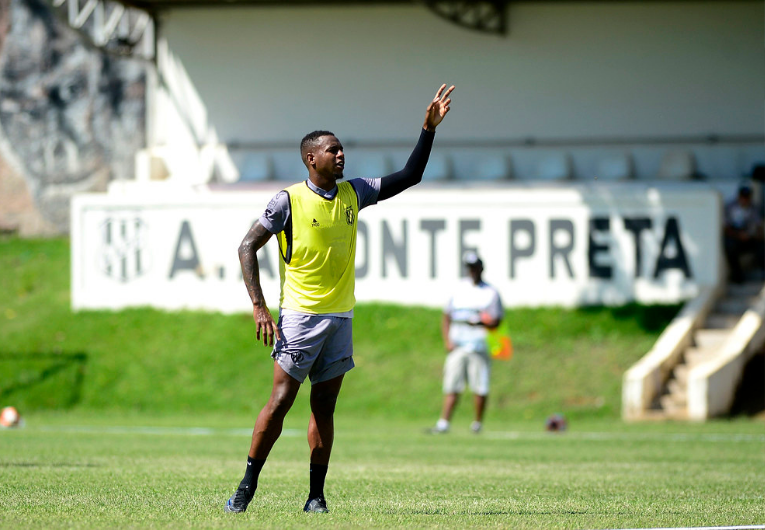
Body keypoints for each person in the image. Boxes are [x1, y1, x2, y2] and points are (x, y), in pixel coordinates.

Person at [225, 84, 455, 514]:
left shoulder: (354, 192)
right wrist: (259, 306)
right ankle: (246, 486)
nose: (341, 155)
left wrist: (428, 129)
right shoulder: (288, 200)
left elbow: (410, 177)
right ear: (311, 158)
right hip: (299, 317)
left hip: (341, 318)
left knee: (324, 407)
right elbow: (246, 246)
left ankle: (315, 497)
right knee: (279, 404)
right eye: (333, 150)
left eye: (342, 149)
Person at [428, 251, 503, 435]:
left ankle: (477, 424)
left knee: (480, 386)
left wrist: (481, 322)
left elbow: (497, 320)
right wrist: (447, 340)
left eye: (475, 267)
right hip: (458, 345)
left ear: (481, 268)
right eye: (469, 268)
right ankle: (444, 423)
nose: (472, 271)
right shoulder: (459, 289)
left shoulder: (491, 293)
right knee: (452, 385)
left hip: (479, 345)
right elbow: (446, 316)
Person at [723, 183, 764, 283]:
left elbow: (758, 226)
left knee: (761, 247)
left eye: (747, 197)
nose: (745, 200)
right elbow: (725, 227)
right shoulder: (730, 207)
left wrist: (751, 235)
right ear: (739, 197)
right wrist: (738, 235)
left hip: (749, 237)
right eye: (743, 197)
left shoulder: (753, 208)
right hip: (734, 236)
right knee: (730, 247)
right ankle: (737, 277)